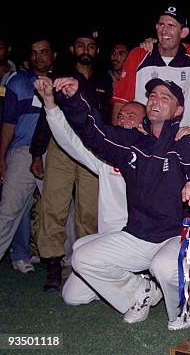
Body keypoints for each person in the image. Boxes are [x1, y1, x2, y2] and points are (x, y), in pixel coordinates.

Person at [47, 76, 190, 330]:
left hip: (176, 235)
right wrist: (74, 98)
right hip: (139, 235)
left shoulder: (184, 138)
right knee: (82, 257)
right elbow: (94, 133)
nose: (155, 101)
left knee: (163, 268)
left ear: (178, 110)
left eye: (165, 97)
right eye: (152, 96)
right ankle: (139, 292)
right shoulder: (132, 143)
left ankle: (184, 306)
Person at [38, 88, 146, 305]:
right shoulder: (106, 158)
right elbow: (70, 141)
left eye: (130, 116)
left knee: (81, 251)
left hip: (141, 241)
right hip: (111, 240)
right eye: (120, 115)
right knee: (72, 296)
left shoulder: (154, 157)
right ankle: (139, 284)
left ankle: (141, 284)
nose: (122, 119)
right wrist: (50, 104)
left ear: (143, 126)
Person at [30, 28, 111, 292]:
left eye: (90, 46)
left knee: (89, 211)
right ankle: (53, 265)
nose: (85, 49)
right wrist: (36, 153)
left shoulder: (104, 79)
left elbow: (108, 119)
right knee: (53, 206)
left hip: (91, 150)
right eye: (80, 45)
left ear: (96, 51)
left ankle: (85, 269)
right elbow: (46, 116)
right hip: (61, 148)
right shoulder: (59, 78)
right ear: (72, 49)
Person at [0, 37, 55, 271]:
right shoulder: (17, 82)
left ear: (53, 55)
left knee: (60, 211)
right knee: (9, 210)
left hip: (55, 154)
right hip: (22, 152)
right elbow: (8, 124)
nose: (38, 57)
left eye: (43, 52)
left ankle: (71, 263)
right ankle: (13, 253)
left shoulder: (63, 82)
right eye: (33, 53)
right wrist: (1, 158)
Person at [111, 5, 190, 123]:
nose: (164, 31)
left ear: (183, 32)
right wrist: (115, 136)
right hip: (143, 135)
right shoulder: (139, 54)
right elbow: (121, 101)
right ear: (156, 27)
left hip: (180, 134)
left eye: (171, 25)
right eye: (161, 25)